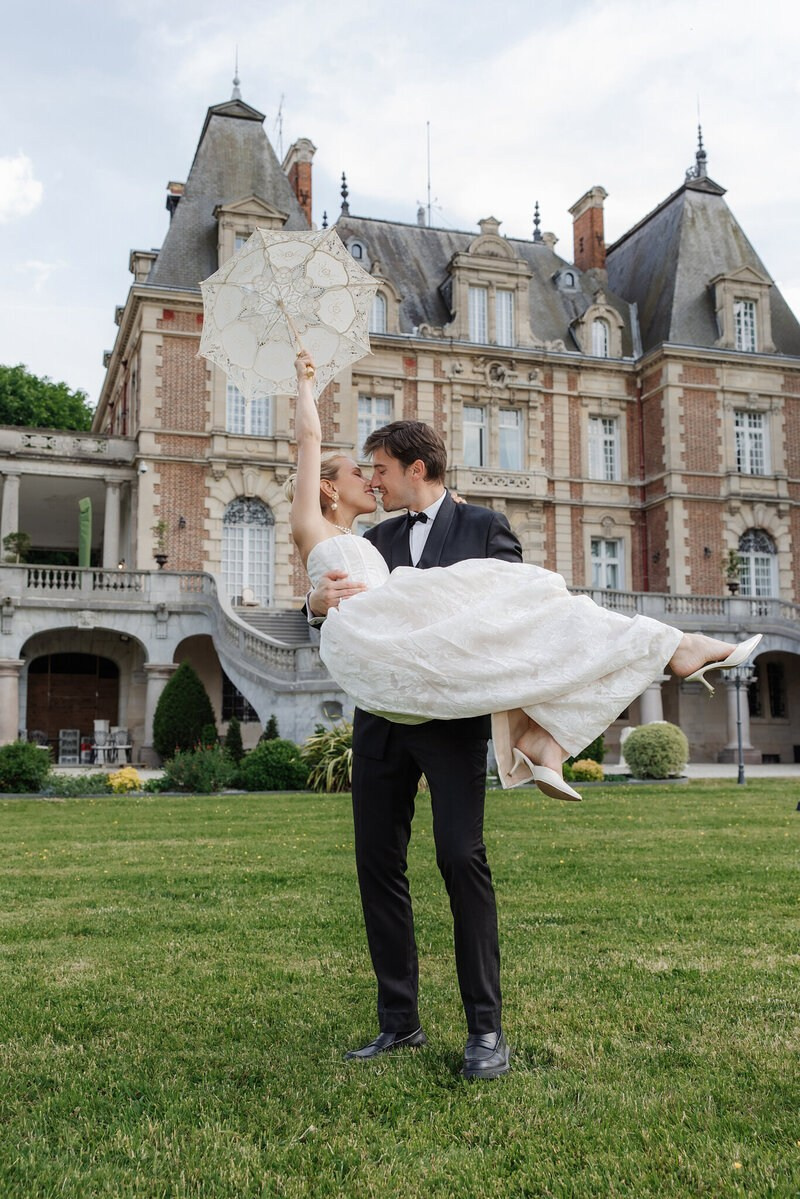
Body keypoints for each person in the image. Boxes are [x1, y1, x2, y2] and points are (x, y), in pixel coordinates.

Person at [290, 349, 761, 1076]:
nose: (372, 480)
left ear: (417, 467)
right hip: (380, 721)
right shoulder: (371, 538)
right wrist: (313, 604)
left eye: (380, 467)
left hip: (449, 725)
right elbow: (334, 598)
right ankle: (399, 1021)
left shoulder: (484, 527)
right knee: (376, 866)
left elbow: (522, 630)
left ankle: (485, 1029)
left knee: (460, 857)